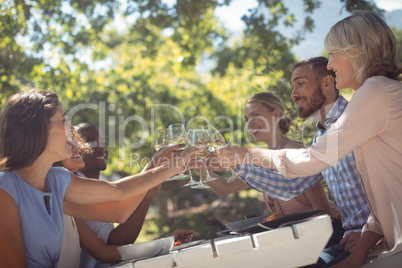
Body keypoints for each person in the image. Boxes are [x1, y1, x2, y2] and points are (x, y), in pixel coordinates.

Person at [218, 11, 402, 267]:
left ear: (357, 51)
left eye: (334, 53)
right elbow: (379, 197)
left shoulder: (374, 92)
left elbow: (311, 161)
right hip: (374, 241)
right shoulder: (368, 101)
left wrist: (247, 155)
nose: (331, 63)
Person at [0, 89, 201, 267]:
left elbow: (118, 195)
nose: (71, 129)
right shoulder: (5, 188)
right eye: (62, 120)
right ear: (38, 130)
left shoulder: (56, 180)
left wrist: (170, 167)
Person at [211, 57, 371, 267]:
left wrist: (244, 156)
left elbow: (382, 194)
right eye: (293, 86)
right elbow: (291, 185)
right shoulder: (320, 139)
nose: (294, 94)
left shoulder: (353, 121)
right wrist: (215, 167)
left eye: (300, 83)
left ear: (327, 83)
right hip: (349, 237)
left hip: (342, 237)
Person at [203, 92, 341, 243]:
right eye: (246, 119)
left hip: (328, 236)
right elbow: (224, 188)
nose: (249, 124)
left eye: (255, 116)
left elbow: (323, 212)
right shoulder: (259, 159)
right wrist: (199, 167)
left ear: (276, 114)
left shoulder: (293, 152)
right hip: (299, 239)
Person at [74, 123, 193, 268]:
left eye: (104, 143)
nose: (101, 148)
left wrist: (148, 191)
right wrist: (152, 174)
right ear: (75, 148)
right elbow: (112, 245)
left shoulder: (97, 184)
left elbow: (114, 247)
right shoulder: (75, 188)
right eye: (91, 142)